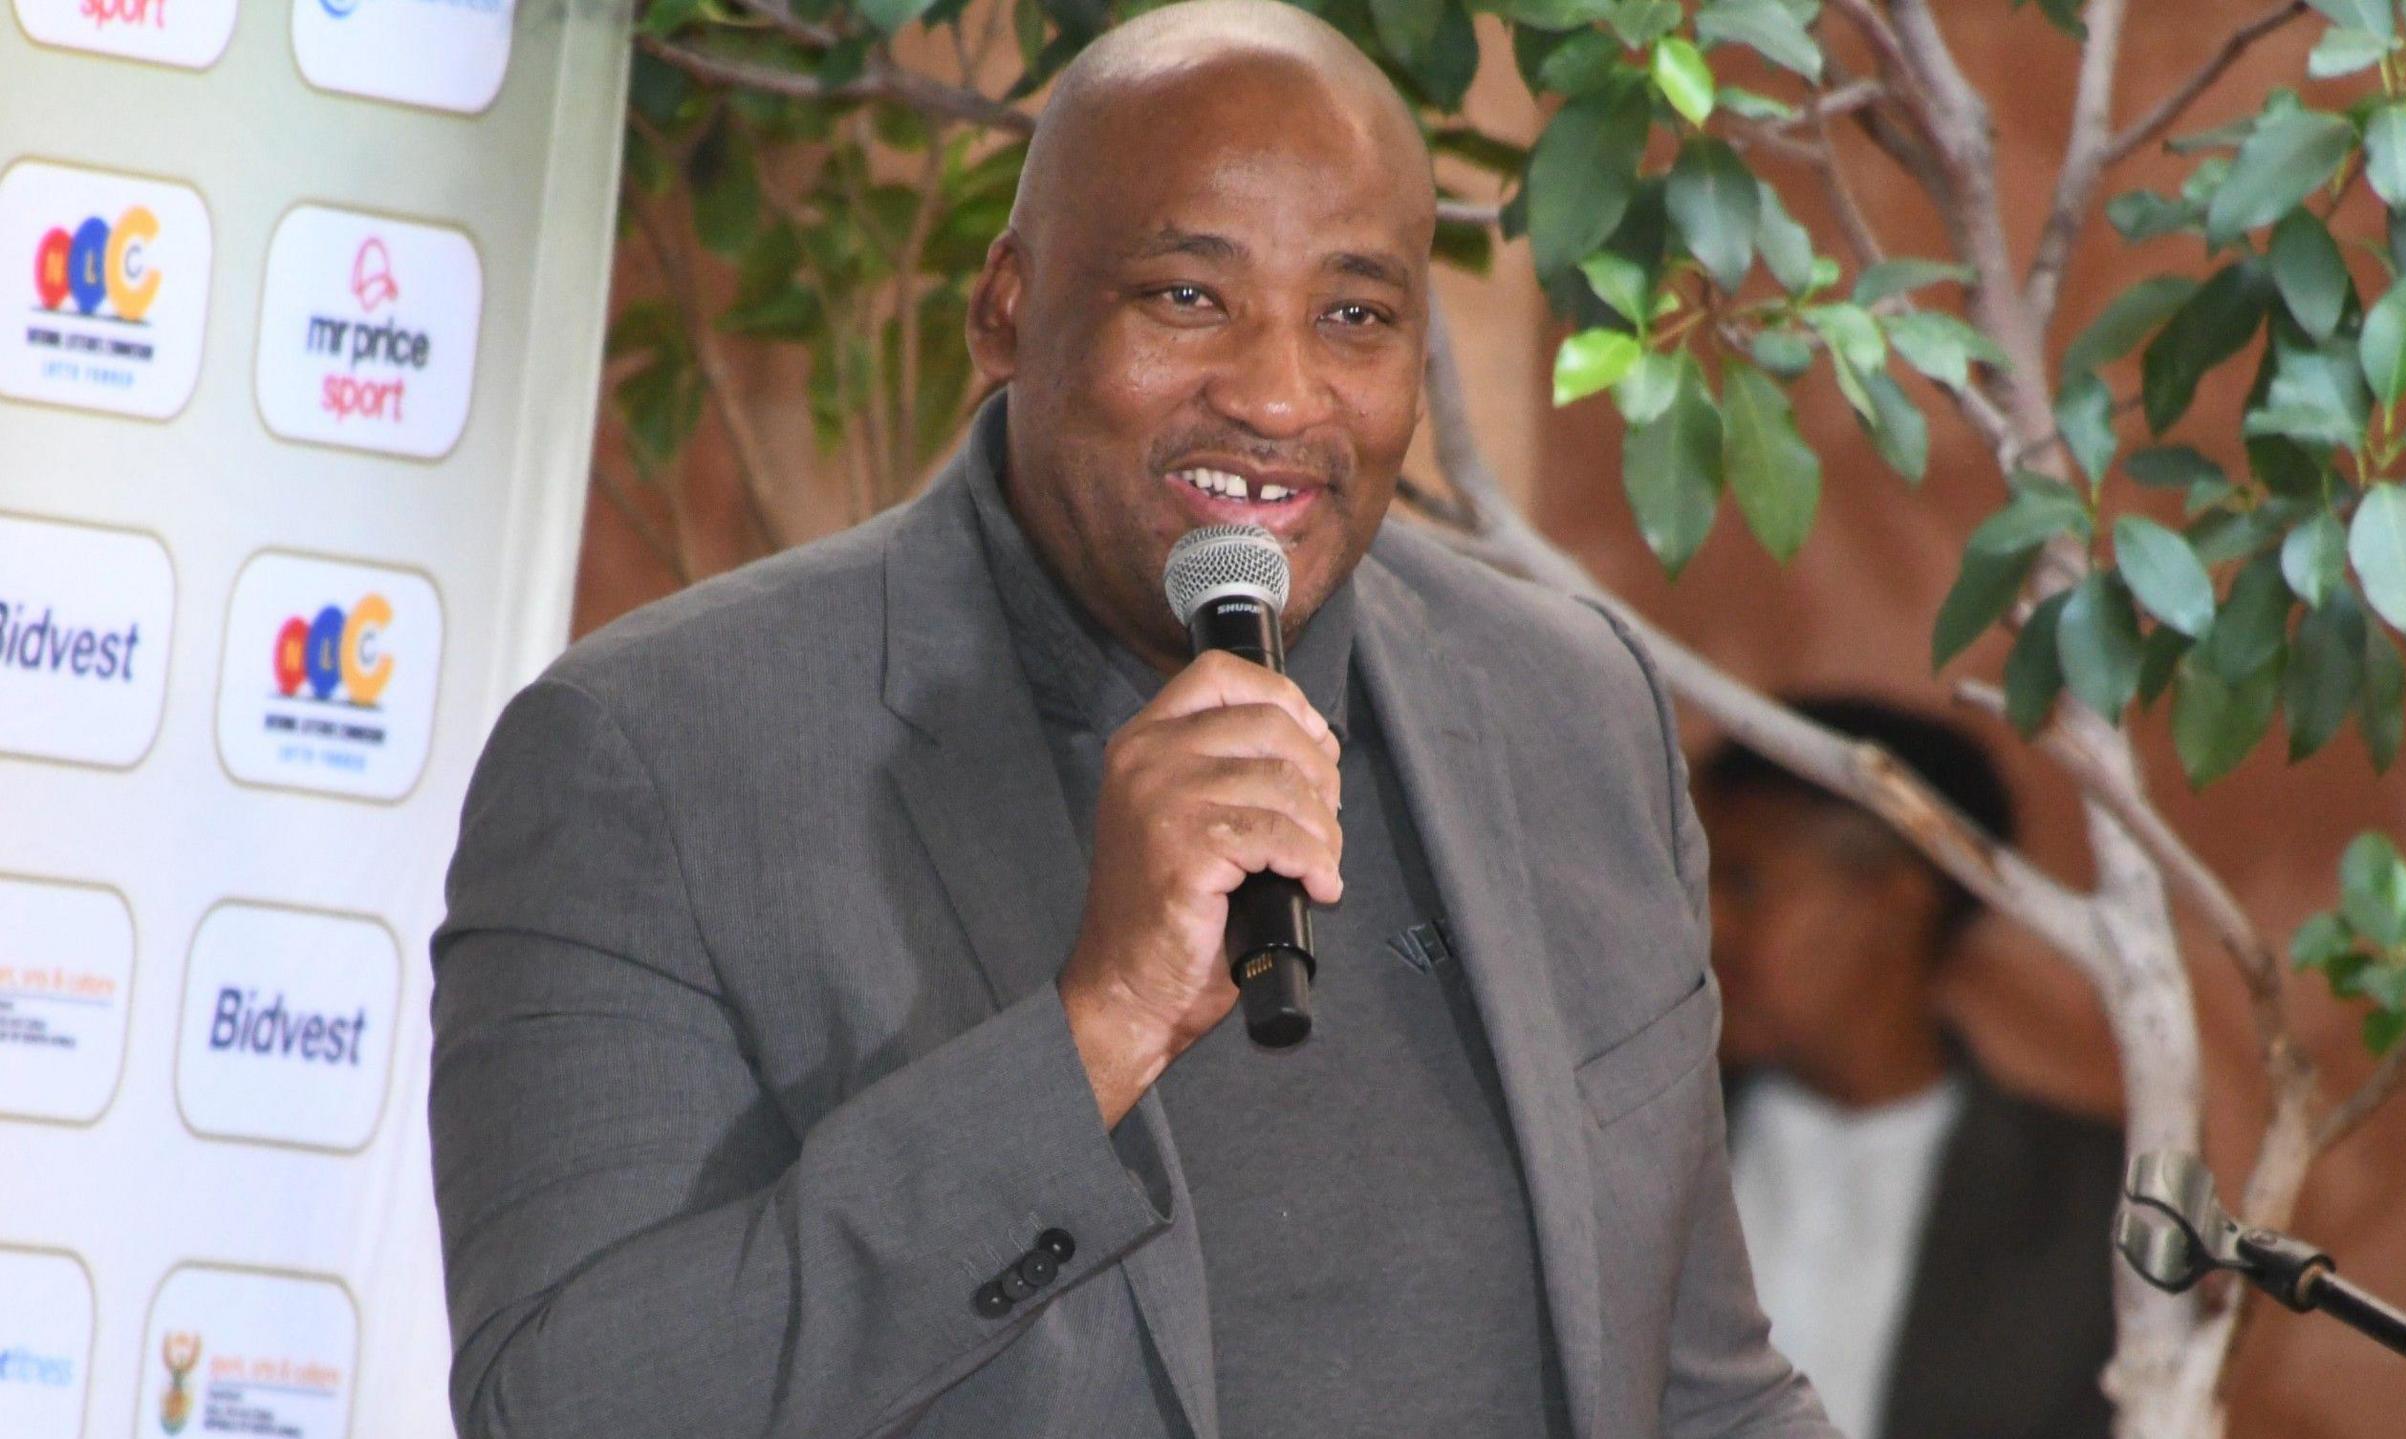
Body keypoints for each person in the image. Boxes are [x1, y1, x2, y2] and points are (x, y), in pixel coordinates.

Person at [426, 3, 1838, 1436]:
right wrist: (1097, 1030)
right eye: (1186, 296)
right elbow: (565, 1402)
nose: (1278, 394)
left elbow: (1704, 1393)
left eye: (1354, 314)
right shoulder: (653, 755)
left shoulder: (1568, 706)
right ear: (1008, 308)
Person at [1694, 698, 2122, 1439]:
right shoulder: (1633, 1142)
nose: (1704, 923)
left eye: (1743, 882)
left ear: (1900, 903)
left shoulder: (2089, 1195)